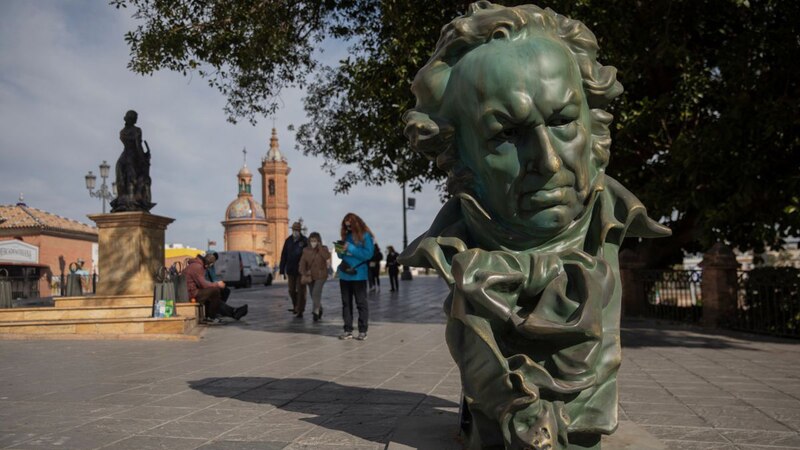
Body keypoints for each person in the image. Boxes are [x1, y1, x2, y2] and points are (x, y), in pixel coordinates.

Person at [399, 3, 670, 449]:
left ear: (593, 122)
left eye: (563, 121)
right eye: (506, 134)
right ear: (456, 150)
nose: (547, 161)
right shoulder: (462, 262)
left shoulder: (608, 230)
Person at [335, 213, 374, 340]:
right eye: (346, 226)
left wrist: (350, 248)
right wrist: (340, 250)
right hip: (345, 275)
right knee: (346, 303)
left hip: (358, 275)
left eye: (350, 225)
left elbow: (368, 254)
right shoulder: (346, 236)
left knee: (361, 303)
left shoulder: (365, 236)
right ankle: (347, 330)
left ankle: (363, 330)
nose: (348, 228)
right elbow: (341, 256)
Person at [185, 254, 247, 322]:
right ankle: (212, 317)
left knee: (218, 294)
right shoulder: (197, 267)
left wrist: (216, 284)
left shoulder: (196, 265)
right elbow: (203, 285)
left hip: (192, 292)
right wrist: (217, 284)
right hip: (192, 294)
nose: (209, 267)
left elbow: (202, 283)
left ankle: (233, 312)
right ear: (209, 263)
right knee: (215, 291)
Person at [298, 232, 331, 322]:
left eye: (315, 240)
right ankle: (320, 308)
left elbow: (327, 256)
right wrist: (303, 272)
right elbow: (302, 262)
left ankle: (315, 312)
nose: (313, 242)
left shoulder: (324, 248)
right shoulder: (306, 250)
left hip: (321, 275)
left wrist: (319, 248)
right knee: (313, 294)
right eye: (311, 240)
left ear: (318, 241)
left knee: (316, 292)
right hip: (310, 276)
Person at [280, 221, 308, 318]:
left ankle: (300, 310)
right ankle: (296, 305)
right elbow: (283, 255)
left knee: (301, 291)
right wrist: (282, 270)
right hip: (291, 270)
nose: (295, 231)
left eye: (297, 230)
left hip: (301, 270)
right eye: (294, 229)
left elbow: (308, 255)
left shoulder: (305, 241)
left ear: (300, 230)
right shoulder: (288, 241)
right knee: (291, 290)